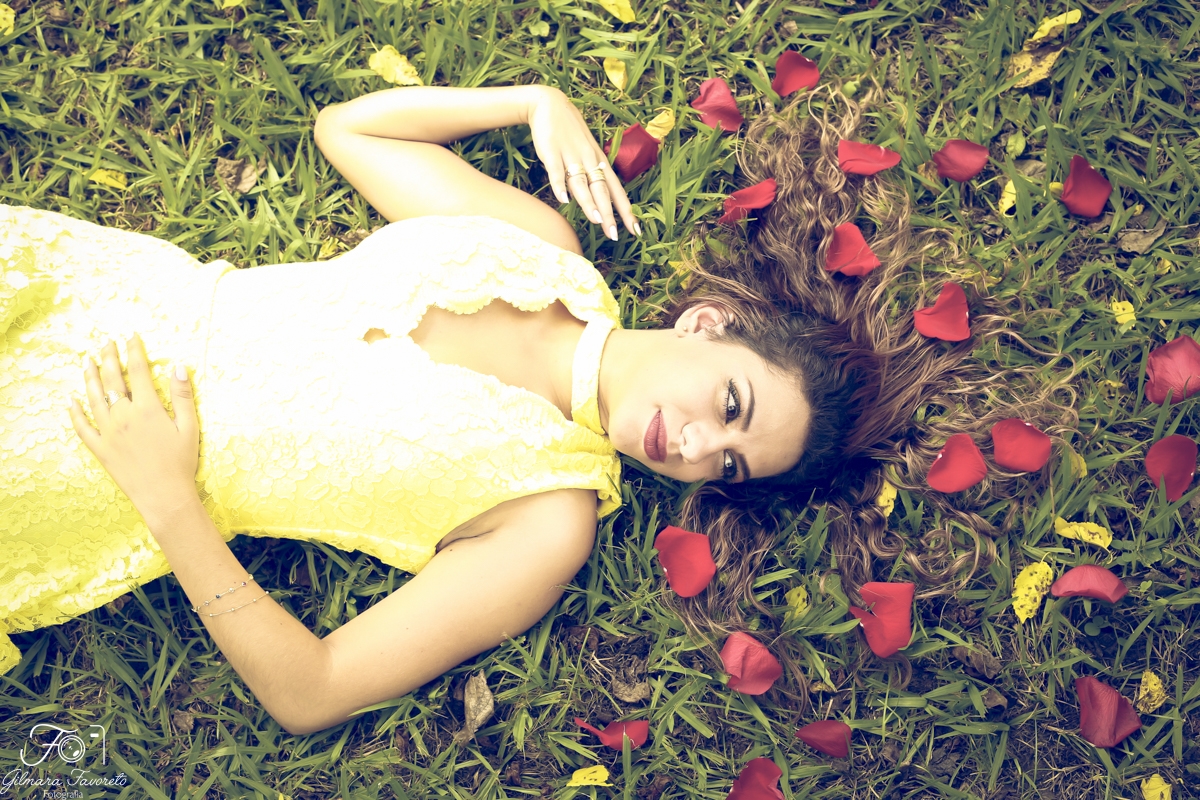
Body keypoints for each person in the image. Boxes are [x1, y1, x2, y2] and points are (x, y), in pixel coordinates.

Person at [0, 79, 1072, 734]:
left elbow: (313, 689)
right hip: (99, 294)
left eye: (729, 463)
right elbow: (351, 132)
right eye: (731, 404)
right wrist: (529, 102)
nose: (698, 445)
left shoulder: (546, 520)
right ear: (706, 326)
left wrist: (167, 499)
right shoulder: (537, 250)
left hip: (78, 462)